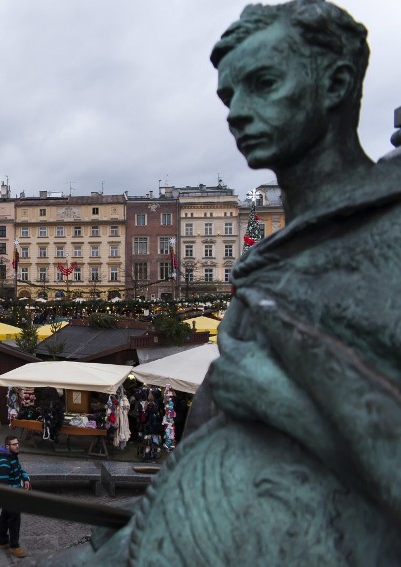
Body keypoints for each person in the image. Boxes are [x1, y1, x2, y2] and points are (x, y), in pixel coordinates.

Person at [47, 3, 401, 565]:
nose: (238, 113)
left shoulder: (387, 233)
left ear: (334, 83)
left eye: (263, 83)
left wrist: (271, 392)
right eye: (228, 97)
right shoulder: (269, 262)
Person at [0, 435, 30, 559]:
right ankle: (15, 546)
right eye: (14, 444)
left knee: (5, 516)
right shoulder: (4, 462)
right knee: (14, 520)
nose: (17, 445)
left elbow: (20, 470)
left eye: (17, 443)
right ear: (7, 446)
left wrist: (25, 478)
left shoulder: (13, 457)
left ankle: (3, 541)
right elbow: (3, 485)